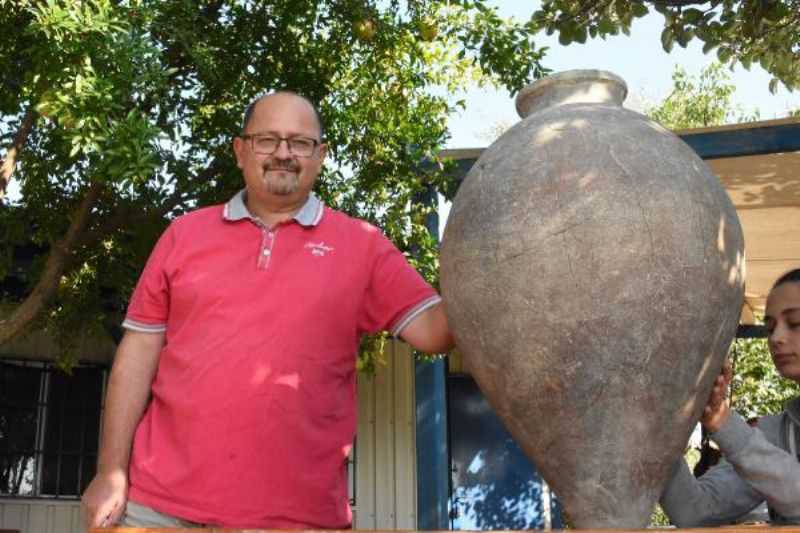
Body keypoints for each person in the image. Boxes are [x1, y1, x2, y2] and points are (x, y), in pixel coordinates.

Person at [81, 91, 454, 529]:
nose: (283, 153)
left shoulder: (364, 246)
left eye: (300, 142)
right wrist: (111, 471)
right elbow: (137, 355)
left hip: (294, 518)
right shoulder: (184, 235)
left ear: (320, 155)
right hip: (156, 510)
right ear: (241, 151)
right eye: (267, 140)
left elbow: (437, 333)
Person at [660, 268, 800, 525]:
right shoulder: (774, 432)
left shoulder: (750, 440)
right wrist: (658, 426)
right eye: (770, 328)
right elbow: (695, 512)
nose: (777, 338)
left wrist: (724, 423)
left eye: (795, 323)